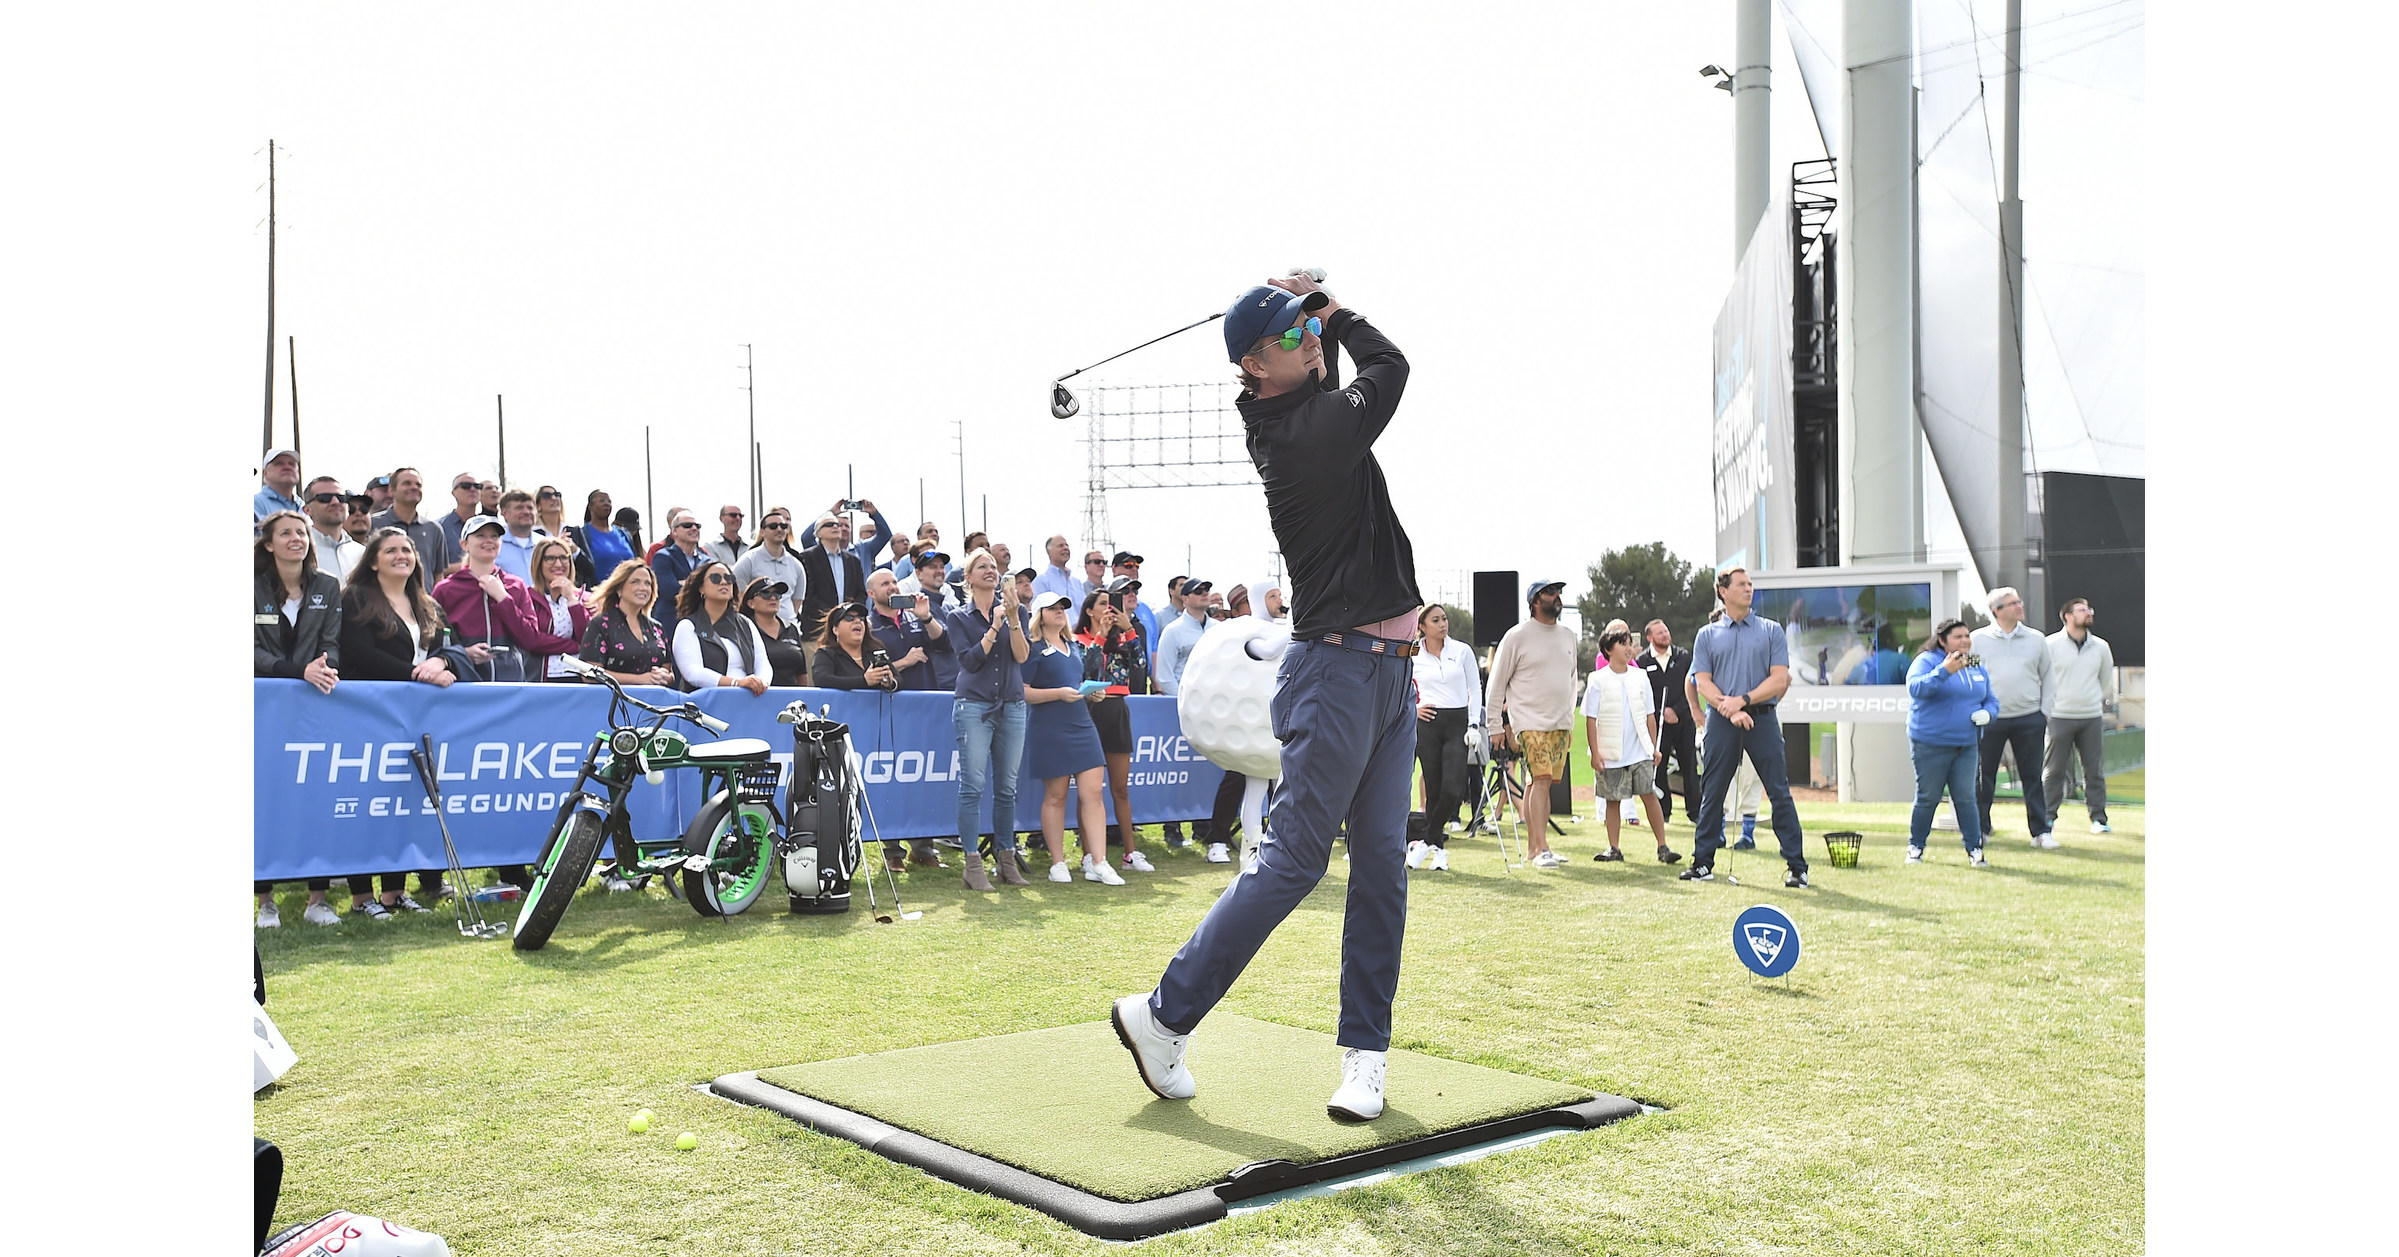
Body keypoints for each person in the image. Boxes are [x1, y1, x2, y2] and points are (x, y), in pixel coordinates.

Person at [1116, 273, 1416, 1123]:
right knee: (1294, 861)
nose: (1309, 339)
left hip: (1387, 675)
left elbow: (1351, 370)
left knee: (1383, 869)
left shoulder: (1307, 407)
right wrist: (1337, 310)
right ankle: (1165, 1015)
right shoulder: (1303, 433)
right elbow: (1391, 365)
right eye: (1290, 336)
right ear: (1254, 364)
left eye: (1308, 329)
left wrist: (1312, 318)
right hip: (1336, 672)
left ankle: (1365, 1057)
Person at [332, 528, 460, 914]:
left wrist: (441, 662)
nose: (401, 555)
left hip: (416, 718)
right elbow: (360, 653)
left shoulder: (427, 603)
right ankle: (361, 898)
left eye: (407, 549)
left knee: (402, 803)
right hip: (368, 716)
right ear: (373, 560)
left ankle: (394, 892)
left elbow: (446, 647)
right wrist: (417, 673)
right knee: (364, 803)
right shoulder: (356, 599)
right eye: (390, 550)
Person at [1681, 568, 1812, 888]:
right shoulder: (1707, 635)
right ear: (1722, 591)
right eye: (1741, 585)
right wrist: (1729, 709)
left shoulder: (1771, 630)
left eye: (1750, 584)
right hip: (1723, 721)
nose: (1748, 589)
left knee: (1779, 791)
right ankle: (1702, 863)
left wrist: (1742, 701)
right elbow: (1701, 680)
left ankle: (1797, 867)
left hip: (1762, 719)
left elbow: (1779, 678)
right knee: (1712, 792)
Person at [943, 548, 1033, 892]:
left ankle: (1006, 860)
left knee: (1007, 789)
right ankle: (972, 863)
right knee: (973, 785)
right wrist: (994, 627)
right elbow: (970, 662)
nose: (990, 571)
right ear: (968, 578)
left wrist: (1010, 618)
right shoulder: (958, 617)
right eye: (982, 566)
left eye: (993, 567)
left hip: (1011, 704)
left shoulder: (1018, 612)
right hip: (974, 706)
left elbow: (1022, 656)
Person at [1020, 590, 1121, 886]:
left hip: (1081, 724)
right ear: (1039, 615)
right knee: (1056, 796)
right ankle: (1057, 862)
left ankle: (1098, 861)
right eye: (1052, 608)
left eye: (1062, 607)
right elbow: (1023, 691)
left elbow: (1075, 683)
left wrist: (1092, 693)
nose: (1059, 611)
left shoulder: (1073, 645)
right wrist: (1058, 694)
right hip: (1049, 727)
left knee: (1093, 793)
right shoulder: (1032, 647)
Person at [1484, 578, 1579, 868]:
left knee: (1542, 783)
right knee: (1540, 780)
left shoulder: (1568, 635)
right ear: (1535, 601)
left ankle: (1533, 849)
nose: (1557, 596)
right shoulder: (1516, 636)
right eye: (1551, 592)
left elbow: (1572, 679)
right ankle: (1542, 849)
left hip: (1560, 723)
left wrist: (1570, 717)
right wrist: (1495, 726)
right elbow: (1496, 683)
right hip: (1529, 721)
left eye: (1559, 591)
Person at [433, 516, 581, 682]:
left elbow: (529, 639)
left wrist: (503, 599)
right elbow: (435, 640)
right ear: (464, 544)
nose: (488, 540)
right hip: (464, 682)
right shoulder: (446, 589)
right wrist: (464, 653)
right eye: (480, 535)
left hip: (510, 684)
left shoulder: (516, 586)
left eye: (494, 536)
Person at [1583, 627, 1681, 865]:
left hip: (1640, 751)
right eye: (1622, 644)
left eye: (1629, 643)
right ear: (1608, 650)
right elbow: (1590, 718)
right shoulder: (1597, 680)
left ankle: (1663, 847)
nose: (1629, 648)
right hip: (1611, 752)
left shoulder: (1640, 677)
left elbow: (1649, 715)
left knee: (1649, 795)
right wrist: (1595, 753)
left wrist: (1653, 747)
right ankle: (1614, 848)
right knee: (1613, 800)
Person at [1906, 617, 2000, 866]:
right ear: (1942, 640)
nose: (1965, 641)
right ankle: (1916, 846)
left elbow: (1990, 699)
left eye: (1967, 635)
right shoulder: (1927, 661)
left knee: (1966, 797)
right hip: (1931, 743)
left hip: (1966, 743)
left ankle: (1974, 849)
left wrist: (1989, 713)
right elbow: (1916, 688)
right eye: (1958, 636)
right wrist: (1944, 672)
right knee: (1928, 797)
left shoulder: (1975, 664)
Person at [1971, 586, 2058, 848]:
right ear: (1997, 611)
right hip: (1990, 719)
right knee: (1984, 777)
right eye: (2013, 603)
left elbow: (2049, 677)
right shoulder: (1977, 640)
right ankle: (1981, 831)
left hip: (2029, 717)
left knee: (2032, 776)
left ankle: (2040, 833)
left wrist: (2044, 713)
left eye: (2019, 601)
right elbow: (1971, 678)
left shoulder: (2036, 639)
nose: (2020, 606)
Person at [1078, 588, 1154, 875]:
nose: (1109, 610)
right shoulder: (1080, 640)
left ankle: (1130, 853)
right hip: (1091, 712)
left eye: (1113, 606)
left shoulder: (1123, 639)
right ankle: (1088, 855)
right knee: (1090, 790)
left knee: (1121, 788)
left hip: (1118, 711)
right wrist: (1100, 635)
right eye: (1102, 605)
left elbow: (1141, 667)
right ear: (1089, 611)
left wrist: (1129, 631)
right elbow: (1087, 670)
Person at [1408, 604, 1481, 871]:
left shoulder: (1462, 651)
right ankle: (1439, 851)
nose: (1443, 624)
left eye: (1444, 619)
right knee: (1435, 792)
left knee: (1452, 790)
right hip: (1427, 725)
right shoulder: (1413, 653)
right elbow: (1402, 687)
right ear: (1422, 627)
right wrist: (1413, 709)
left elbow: (1475, 688)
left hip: (1457, 725)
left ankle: (1423, 842)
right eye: (1436, 620)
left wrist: (1474, 724)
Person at [2042, 597, 2116, 835]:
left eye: (2089, 609)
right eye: (2082, 610)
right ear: (2067, 616)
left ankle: (2099, 820)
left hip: (2091, 716)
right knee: (2053, 771)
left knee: (2093, 770)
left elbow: (2105, 681)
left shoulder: (2101, 647)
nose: (2088, 613)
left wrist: (2090, 699)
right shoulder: (2050, 645)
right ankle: (2047, 818)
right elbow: (2041, 677)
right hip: (2058, 716)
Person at [255, 510, 342, 695]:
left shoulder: (328, 585)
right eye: (285, 533)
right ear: (269, 544)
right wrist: (299, 672)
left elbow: (330, 642)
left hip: (313, 689)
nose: (295, 538)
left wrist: (325, 668)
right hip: (262, 691)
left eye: (301, 533)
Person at [669, 559, 771, 695]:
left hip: (747, 701)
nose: (724, 582)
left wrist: (761, 683)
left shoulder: (746, 624)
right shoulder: (687, 626)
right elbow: (693, 672)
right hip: (704, 705)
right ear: (701, 588)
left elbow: (762, 662)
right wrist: (736, 683)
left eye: (729, 578)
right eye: (715, 578)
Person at [1636, 619, 1698, 824]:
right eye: (1660, 633)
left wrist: (1676, 710)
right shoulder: (1642, 661)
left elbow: (1691, 688)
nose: (1665, 635)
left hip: (1684, 720)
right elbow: (1643, 694)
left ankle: (1695, 812)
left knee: (1689, 765)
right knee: (1659, 765)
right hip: (1658, 723)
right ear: (1650, 637)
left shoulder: (1683, 657)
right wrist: (1663, 712)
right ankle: (1664, 812)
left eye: (1666, 631)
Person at [579, 560, 677, 687]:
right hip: (613, 702)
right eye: (635, 582)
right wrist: (639, 679)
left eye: (648, 583)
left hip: (653, 702)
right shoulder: (600, 625)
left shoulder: (657, 628)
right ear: (619, 588)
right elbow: (589, 674)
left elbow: (669, 671)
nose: (643, 588)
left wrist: (664, 677)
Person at [867, 569, 950, 691]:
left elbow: (943, 644)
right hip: (891, 699)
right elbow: (869, 673)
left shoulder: (914, 616)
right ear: (871, 594)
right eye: (885, 584)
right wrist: (905, 662)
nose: (893, 587)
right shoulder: (869, 626)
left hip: (926, 694)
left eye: (894, 582)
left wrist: (926, 617)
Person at [527, 538, 593, 682]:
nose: (558, 564)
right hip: (541, 677)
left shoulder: (586, 599)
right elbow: (533, 640)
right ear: (539, 563)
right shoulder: (528, 598)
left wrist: (572, 600)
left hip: (579, 676)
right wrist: (575, 646)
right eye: (550, 558)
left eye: (564, 558)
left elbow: (588, 640)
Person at [797, 512, 871, 639]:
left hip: (849, 629)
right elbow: (808, 594)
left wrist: (850, 614)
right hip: (818, 630)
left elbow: (861, 593)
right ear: (819, 533)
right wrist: (834, 615)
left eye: (838, 524)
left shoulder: (853, 560)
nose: (836, 527)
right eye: (829, 525)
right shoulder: (807, 557)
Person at [369, 468, 453, 576]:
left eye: (418, 485)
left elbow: (438, 574)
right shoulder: (373, 524)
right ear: (391, 490)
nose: (414, 487)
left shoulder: (434, 529)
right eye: (407, 483)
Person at [732, 506, 808, 626]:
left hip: (789, 630)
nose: (779, 529)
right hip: (757, 630)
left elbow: (796, 602)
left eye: (783, 526)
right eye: (773, 526)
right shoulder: (748, 560)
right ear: (762, 532)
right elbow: (737, 595)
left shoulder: (796, 565)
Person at [743, 578, 809, 686]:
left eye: (777, 594)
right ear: (751, 603)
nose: (773, 598)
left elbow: (801, 673)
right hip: (758, 696)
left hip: (792, 698)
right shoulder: (744, 629)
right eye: (765, 593)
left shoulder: (791, 628)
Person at [651, 508, 712, 627]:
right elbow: (670, 591)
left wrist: (684, 583)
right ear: (674, 531)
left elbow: (713, 592)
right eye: (687, 525)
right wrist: (700, 585)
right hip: (671, 624)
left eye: (697, 526)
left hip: (700, 625)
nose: (694, 528)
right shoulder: (662, 557)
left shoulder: (707, 561)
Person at [566, 490, 635, 588]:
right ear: (591, 506)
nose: (606, 504)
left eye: (609, 501)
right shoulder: (584, 534)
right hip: (598, 594)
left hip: (627, 594)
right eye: (602, 501)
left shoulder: (624, 534)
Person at [300, 476, 361, 579]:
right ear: (307, 510)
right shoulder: (299, 551)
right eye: (325, 498)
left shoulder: (363, 553)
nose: (335, 502)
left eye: (341, 498)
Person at [494, 489, 548, 585]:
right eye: (519, 508)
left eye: (530, 508)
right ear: (504, 513)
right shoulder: (494, 545)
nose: (526, 512)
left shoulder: (545, 544)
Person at [1112, 552, 1157, 663]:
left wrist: (1154, 679)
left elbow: (1153, 650)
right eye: (1128, 565)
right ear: (1114, 569)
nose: (1133, 569)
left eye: (1136, 566)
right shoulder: (1103, 612)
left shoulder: (1146, 612)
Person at [437, 472, 486, 561]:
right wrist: (467, 568)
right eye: (466, 486)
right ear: (454, 493)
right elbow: (431, 567)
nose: (472, 489)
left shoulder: (489, 526)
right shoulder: (439, 527)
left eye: (477, 486)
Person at [1032, 535, 1089, 606]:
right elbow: (1038, 610)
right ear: (1049, 552)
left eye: (1067, 545)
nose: (1065, 548)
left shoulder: (1077, 583)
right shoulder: (1041, 581)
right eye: (1060, 546)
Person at [254, 447, 304, 521]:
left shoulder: (303, 505)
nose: (287, 467)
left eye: (292, 464)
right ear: (265, 473)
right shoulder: (255, 503)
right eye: (279, 463)